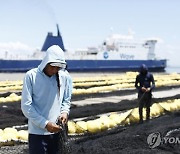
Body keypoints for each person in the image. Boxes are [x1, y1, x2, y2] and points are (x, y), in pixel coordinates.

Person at [21, 45, 72, 154]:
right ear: (46, 62)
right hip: (37, 134)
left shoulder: (64, 77)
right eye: (52, 66)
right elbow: (26, 106)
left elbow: (66, 100)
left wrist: (64, 112)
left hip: (57, 135)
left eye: (58, 67)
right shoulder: (31, 76)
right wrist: (45, 124)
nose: (54, 70)